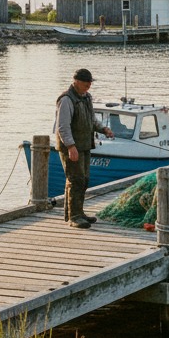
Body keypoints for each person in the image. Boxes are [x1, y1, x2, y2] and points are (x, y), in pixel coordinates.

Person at [54, 68, 113, 228]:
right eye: (86, 82)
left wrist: (103, 129)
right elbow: (63, 127)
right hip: (71, 147)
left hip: (85, 144)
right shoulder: (66, 100)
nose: (89, 85)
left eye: (90, 82)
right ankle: (73, 217)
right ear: (76, 81)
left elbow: (92, 120)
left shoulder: (87, 97)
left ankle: (79, 212)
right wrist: (71, 146)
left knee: (84, 180)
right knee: (75, 180)